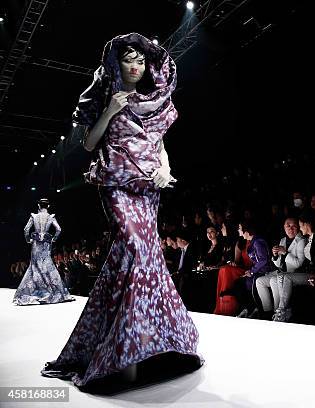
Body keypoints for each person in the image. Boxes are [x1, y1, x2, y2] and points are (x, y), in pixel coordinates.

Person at [41, 33, 202, 388]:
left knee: (139, 259)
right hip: (115, 183)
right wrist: (111, 110)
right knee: (133, 249)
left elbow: (158, 144)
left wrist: (166, 168)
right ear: (117, 61)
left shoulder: (153, 100)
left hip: (148, 185)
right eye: (129, 58)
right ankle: (126, 347)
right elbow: (88, 143)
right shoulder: (103, 94)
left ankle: (143, 346)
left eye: (141, 60)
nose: (135, 65)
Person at [13, 198, 74, 305]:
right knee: (47, 266)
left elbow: (26, 230)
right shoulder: (51, 217)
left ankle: (35, 292)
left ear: (38, 205)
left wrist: (28, 240)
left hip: (36, 245)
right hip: (46, 244)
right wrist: (53, 239)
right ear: (48, 206)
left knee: (35, 267)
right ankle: (53, 291)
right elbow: (58, 229)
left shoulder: (34, 216)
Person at [256, 217, 306, 322]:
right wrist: (275, 256)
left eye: (294, 226)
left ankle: (277, 311)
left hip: (293, 273)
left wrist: (285, 253)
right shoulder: (283, 240)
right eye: (288, 226)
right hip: (282, 270)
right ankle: (267, 311)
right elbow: (279, 264)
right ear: (284, 228)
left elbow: (298, 264)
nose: (291, 229)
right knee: (259, 281)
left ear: (298, 228)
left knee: (274, 280)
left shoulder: (301, 240)